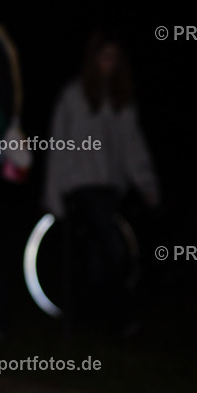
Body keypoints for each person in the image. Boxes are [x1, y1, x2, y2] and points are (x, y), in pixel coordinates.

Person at [42, 31, 158, 332]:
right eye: (104, 57)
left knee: (97, 256)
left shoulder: (121, 100)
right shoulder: (72, 95)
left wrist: (146, 184)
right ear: (93, 59)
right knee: (111, 249)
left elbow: (132, 146)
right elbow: (58, 145)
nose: (109, 64)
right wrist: (54, 196)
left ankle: (92, 320)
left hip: (111, 190)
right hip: (81, 189)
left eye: (114, 58)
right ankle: (119, 318)